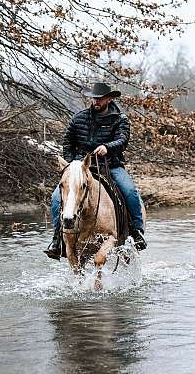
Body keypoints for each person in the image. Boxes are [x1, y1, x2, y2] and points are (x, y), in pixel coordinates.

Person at [44, 82, 146, 260]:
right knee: (55, 198)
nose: (96, 101)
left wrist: (107, 147)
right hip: (80, 167)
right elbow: (68, 142)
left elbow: (123, 140)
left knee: (130, 191)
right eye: (94, 98)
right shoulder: (79, 118)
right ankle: (57, 238)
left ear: (109, 99)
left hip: (110, 165)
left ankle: (136, 233)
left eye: (100, 98)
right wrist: (71, 165)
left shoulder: (120, 119)